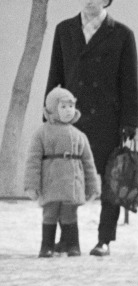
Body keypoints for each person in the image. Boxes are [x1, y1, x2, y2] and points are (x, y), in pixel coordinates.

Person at [46, 0, 138, 257]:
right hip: (70, 116)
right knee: (67, 177)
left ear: (106, 0)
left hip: (107, 118)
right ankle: (67, 238)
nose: (88, 2)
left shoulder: (122, 34)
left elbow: (129, 82)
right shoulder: (64, 30)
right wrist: (49, 111)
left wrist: (129, 123)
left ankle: (104, 240)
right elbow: (55, 74)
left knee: (110, 179)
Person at [24, 87, 101, 257]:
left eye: (71, 106)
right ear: (52, 108)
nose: (68, 111)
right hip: (50, 182)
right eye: (63, 107)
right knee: (50, 214)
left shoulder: (79, 135)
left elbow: (88, 163)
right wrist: (31, 185)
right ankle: (47, 246)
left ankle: (73, 245)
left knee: (70, 214)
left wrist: (92, 187)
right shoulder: (41, 133)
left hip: (72, 184)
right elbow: (33, 161)